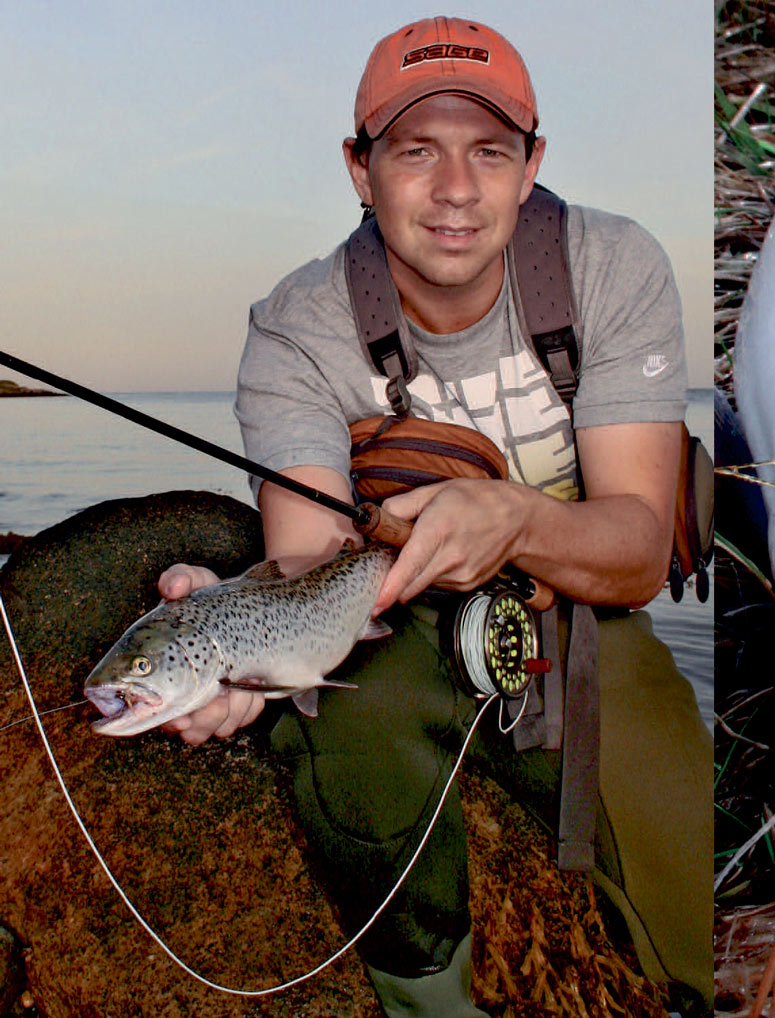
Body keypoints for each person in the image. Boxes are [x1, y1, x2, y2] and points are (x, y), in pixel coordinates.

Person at [153, 16, 711, 1017]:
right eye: (415, 152)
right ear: (359, 169)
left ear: (531, 164)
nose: (456, 190)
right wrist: (226, 640)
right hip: (397, 611)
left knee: (691, 876)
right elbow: (311, 561)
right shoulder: (298, 325)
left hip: (589, 614)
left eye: (489, 152)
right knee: (344, 745)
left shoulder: (613, 266)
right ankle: (429, 995)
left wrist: (515, 520)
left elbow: (633, 553)